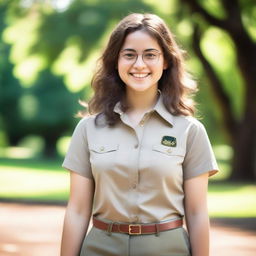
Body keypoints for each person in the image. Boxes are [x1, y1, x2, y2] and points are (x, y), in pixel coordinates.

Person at [60, 13, 219, 256]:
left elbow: (197, 212)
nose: (139, 65)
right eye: (129, 54)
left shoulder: (190, 131)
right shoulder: (88, 129)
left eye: (150, 55)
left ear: (165, 61)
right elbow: (78, 210)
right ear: (116, 60)